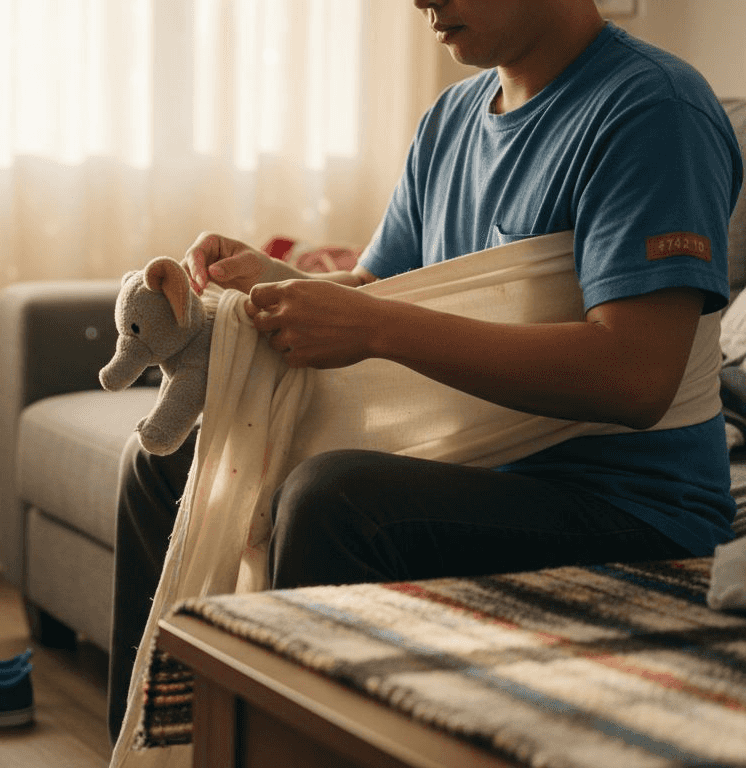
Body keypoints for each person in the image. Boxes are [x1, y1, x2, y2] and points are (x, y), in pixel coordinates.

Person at [109, 0, 744, 742]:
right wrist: (273, 285)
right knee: (166, 458)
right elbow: (386, 297)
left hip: (627, 503)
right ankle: (174, 747)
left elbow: (636, 378)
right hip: (468, 463)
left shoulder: (655, 111)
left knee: (336, 496)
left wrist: (374, 325)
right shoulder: (454, 118)